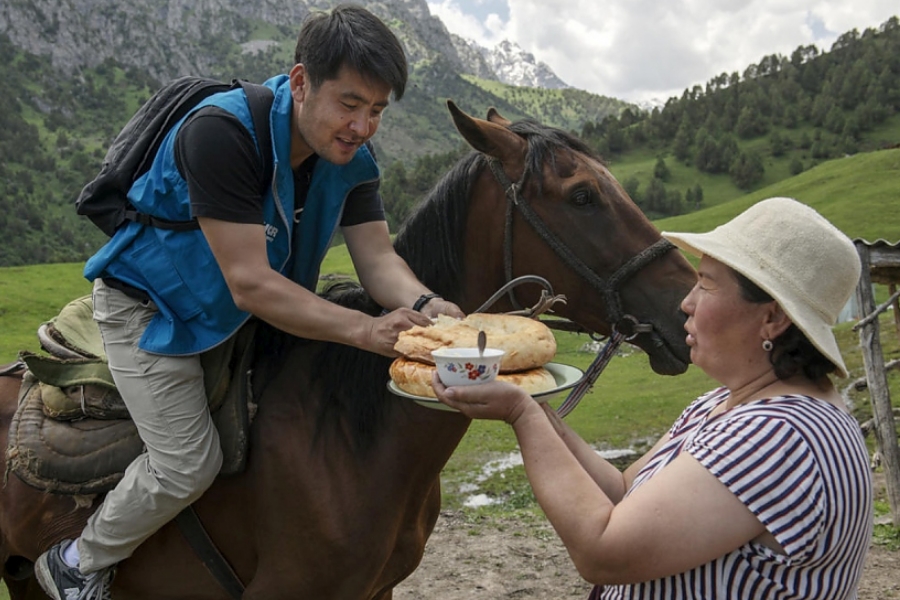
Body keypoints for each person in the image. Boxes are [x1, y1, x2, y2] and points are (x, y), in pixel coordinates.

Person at [35, 5, 463, 599]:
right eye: (350, 103)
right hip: (154, 310)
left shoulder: (351, 159)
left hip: (239, 315)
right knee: (186, 464)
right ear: (300, 81)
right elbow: (251, 282)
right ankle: (77, 562)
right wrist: (365, 331)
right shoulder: (223, 134)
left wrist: (432, 303)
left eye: (376, 110)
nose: (362, 126)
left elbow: (377, 260)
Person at [434, 196, 873, 599]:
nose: (687, 302)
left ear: (772, 317)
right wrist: (533, 399)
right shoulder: (728, 405)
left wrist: (521, 414)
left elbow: (604, 551)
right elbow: (621, 491)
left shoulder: (781, 436)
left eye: (706, 283)